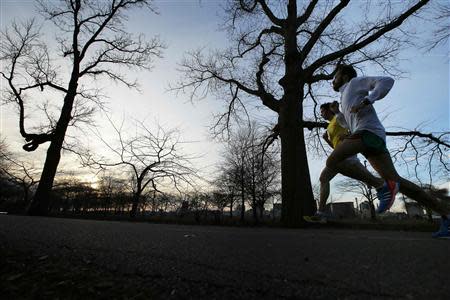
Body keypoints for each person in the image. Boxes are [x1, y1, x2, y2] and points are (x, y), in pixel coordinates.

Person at [327, 64, 449, 238]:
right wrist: (338, 113)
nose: (333, 80)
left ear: (344, 76)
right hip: (368, 134)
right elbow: (350, 124)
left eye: (336, 76)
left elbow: (386, 81)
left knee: (333, 162)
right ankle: (446, 214)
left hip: (368, 132)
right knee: (398, 182)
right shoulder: (346, 95)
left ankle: (382, 186)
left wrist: (369, 99)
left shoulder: (354, 83)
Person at [305, 102, 383, 223]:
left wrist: (348, 134)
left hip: (346, 153)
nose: (321, 114)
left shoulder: (338, 117)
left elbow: (351, 125)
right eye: (320, 112)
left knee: (364, 176)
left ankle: (383, 185)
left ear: (329, 110)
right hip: (340, 154)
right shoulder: (330, 125)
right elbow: (335, 146)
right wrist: (326, 140)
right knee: (324, 178)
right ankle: (320, 213)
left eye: (322, 111)